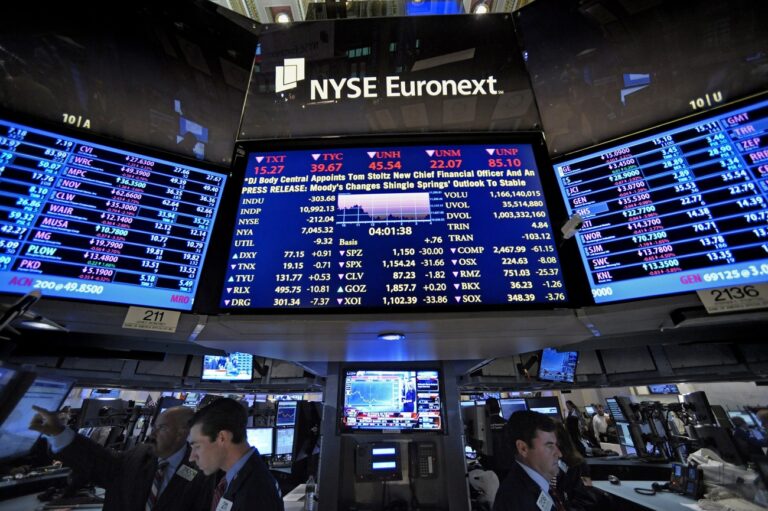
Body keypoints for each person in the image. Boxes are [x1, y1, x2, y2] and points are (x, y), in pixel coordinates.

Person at [29, 405, 213, 511]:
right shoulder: (138, 456)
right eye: (154, 427)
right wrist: (58, 432)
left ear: (182, 433)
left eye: (162, 428)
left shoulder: (204, 471)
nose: (152, 433)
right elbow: (97, 460)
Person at [188, 397, 283, 511]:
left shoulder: (255, 492)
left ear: (222, 438)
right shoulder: (240, 477)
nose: (191, 457)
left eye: (197, 446)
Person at [493, 410, 569, 511]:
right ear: (523, 448)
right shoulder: (516, 500)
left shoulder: (536, 484)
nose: (559, 454)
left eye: (556, 445)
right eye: (549, 446)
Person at [480, 398, 512, 481]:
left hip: (491, 466)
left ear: (486, 409)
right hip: (509, 465)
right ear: (499, 408)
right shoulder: (508, 423)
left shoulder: (482, 426)